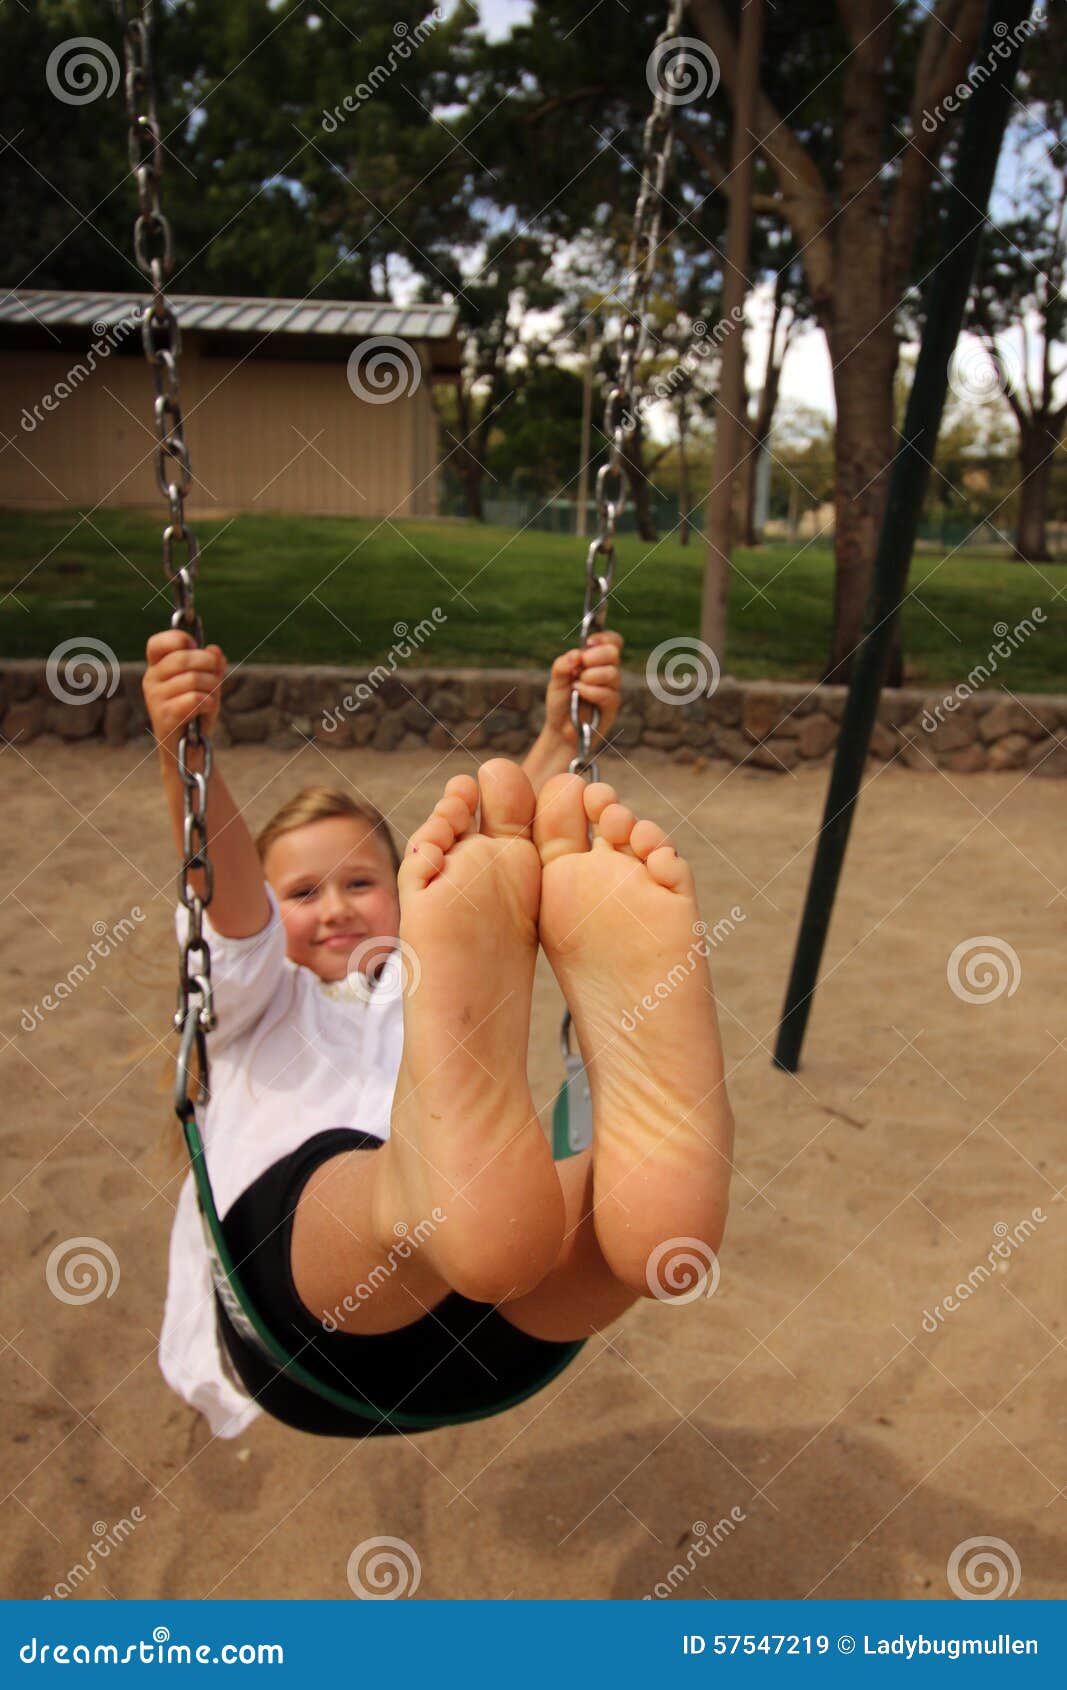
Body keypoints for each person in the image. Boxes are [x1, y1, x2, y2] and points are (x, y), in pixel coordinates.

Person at [145, 627, 735, 1440]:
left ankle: (629, 1208)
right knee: (378, 1188)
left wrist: (560, 738)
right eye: (304, 892)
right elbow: (233, 906)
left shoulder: (412, 983)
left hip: (491, 1330)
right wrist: (188, 761)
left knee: (589, 1223)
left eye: (360, 882)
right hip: (297, 1321)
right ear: (267, 910)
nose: (338, 906)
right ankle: (422, 1197)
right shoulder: (256, 999)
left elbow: (490, 850)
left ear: (400, 900)